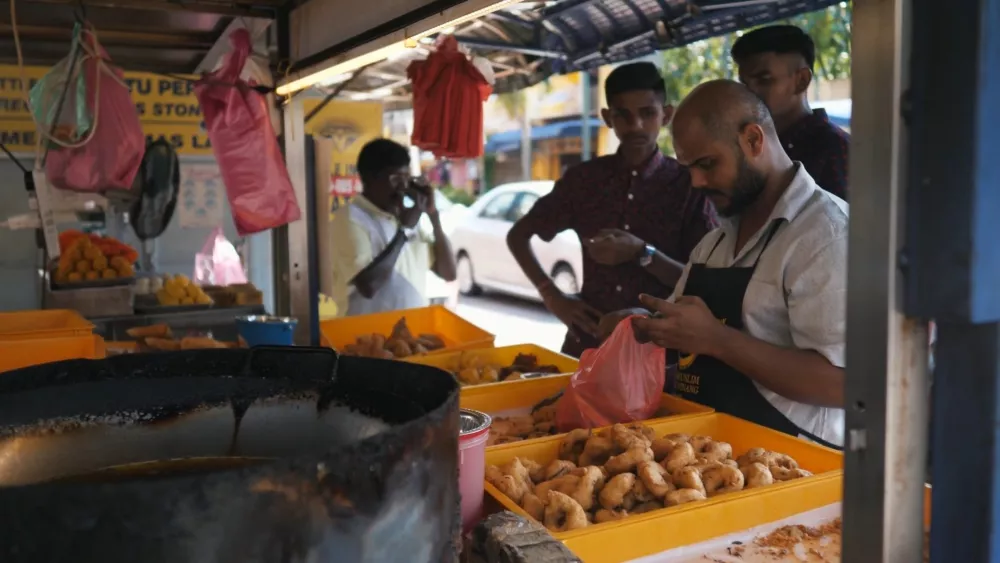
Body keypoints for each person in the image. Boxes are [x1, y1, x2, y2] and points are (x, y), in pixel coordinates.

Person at [630, 80, 848, 448]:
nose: (696, 182)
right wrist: (641, 327)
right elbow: (683, 333)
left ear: (753, 140)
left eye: (707, 164)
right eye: (688, 168)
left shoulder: (826, 236)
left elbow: (843, 384)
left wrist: (718, 340)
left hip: (791, 474)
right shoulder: (714, 243)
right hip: (706, 460)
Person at [506, 62, 717, 358]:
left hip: (658, 354)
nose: (636, 126)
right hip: (588, 345)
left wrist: (643, 253)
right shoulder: (584, 180)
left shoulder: (689, 184)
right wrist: (552, 296)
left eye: (647, 113)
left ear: (666, 114)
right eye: (623, 115)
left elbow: (702, 283)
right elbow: (518, 235)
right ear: (607, 117)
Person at [329, 138, 457, 317]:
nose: (403, 188)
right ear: (370, 179)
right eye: (396, 179)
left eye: (406, 179)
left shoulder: (407, 218)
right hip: (366, 335)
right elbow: (368, 286)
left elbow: (449, 273)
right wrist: (403, 232)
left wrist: (433, 216)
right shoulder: (351, 218)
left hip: (411, 331)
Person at [731, 25, 850, 200]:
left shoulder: (834, 149)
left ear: (802, 80)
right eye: (744, 83)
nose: (749, 92)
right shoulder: (752, 146)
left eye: (764, 80)